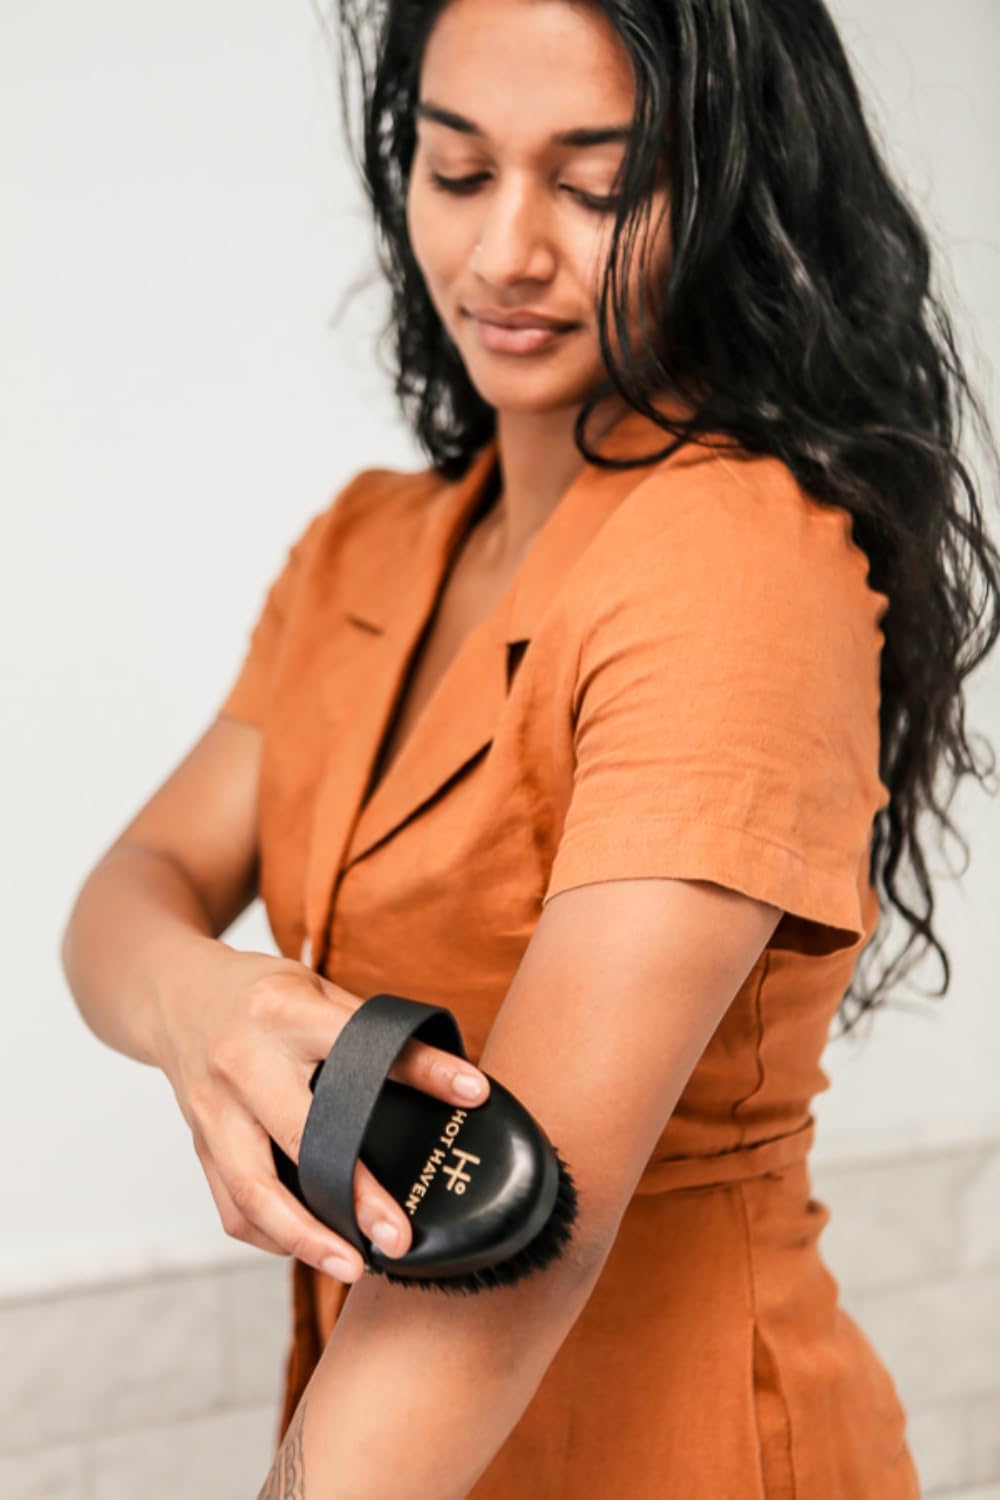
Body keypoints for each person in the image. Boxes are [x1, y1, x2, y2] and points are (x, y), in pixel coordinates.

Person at [60, 0, 1000, 1496]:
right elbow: (131, 890)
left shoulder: (733, 564)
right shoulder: (368, 544)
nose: (503, 252)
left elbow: (516, 1241)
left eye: (596, 184)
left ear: (736, 189)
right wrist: (203, 1005)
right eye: (456, 169)